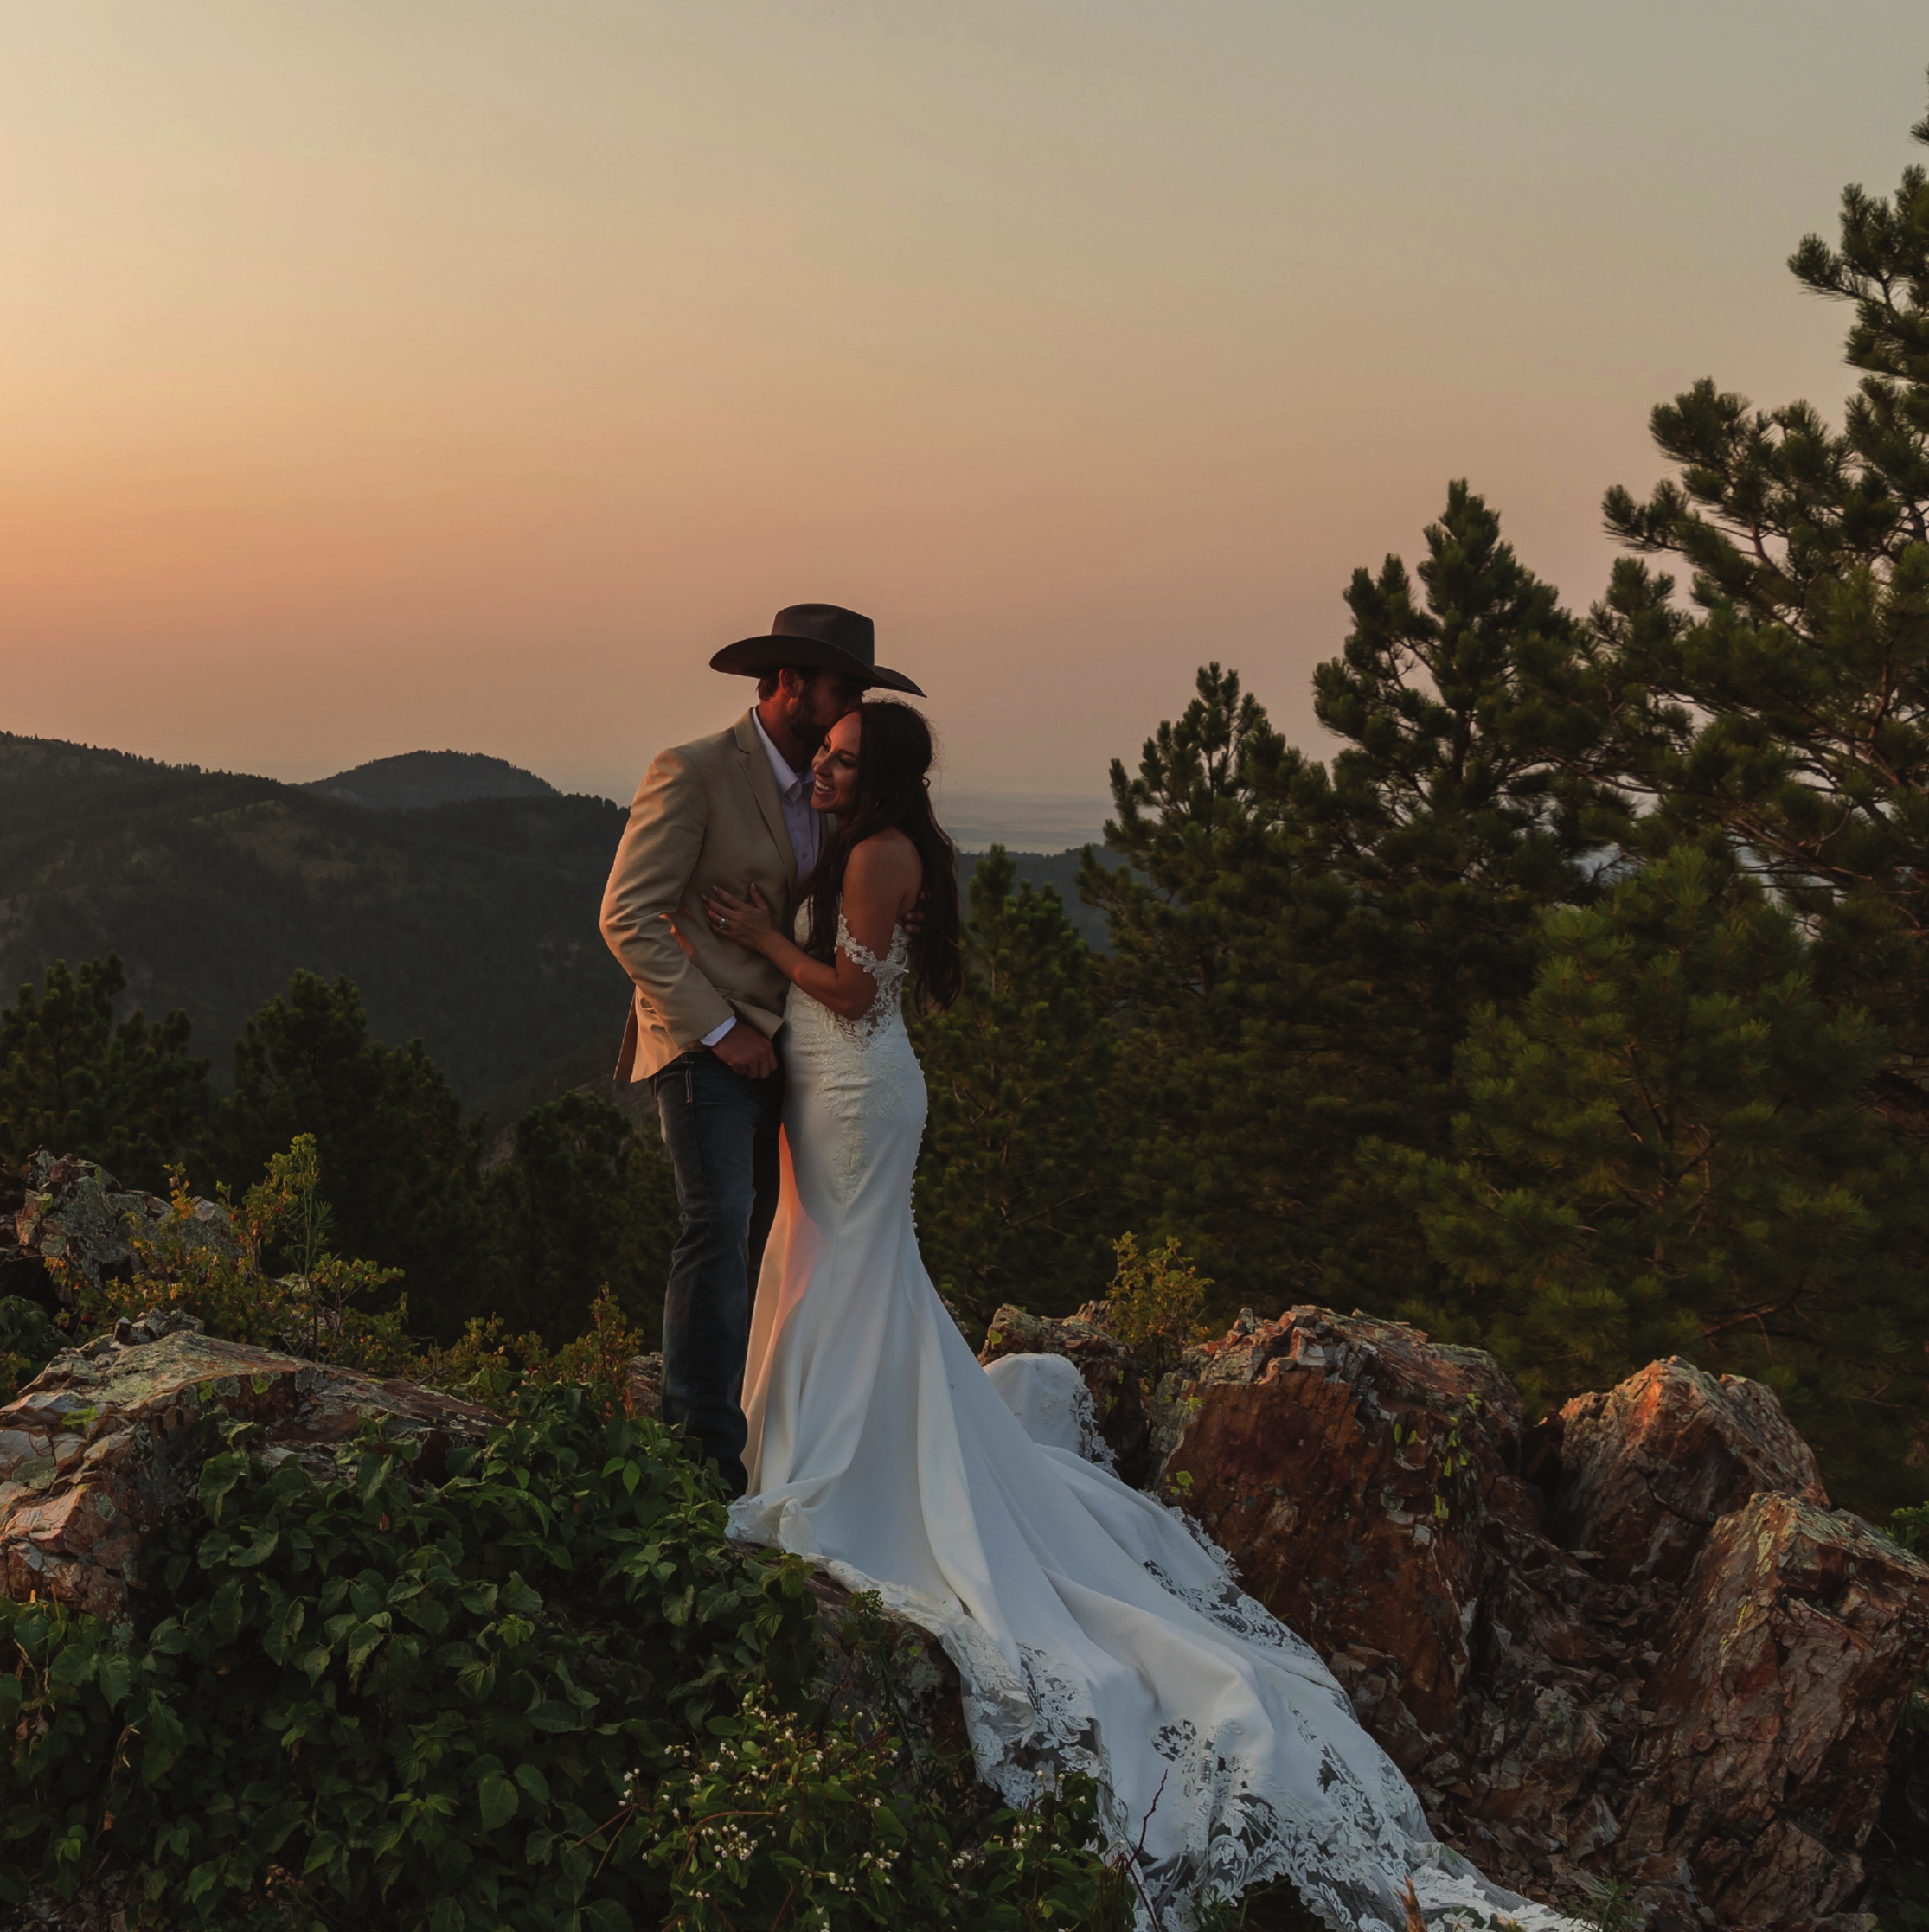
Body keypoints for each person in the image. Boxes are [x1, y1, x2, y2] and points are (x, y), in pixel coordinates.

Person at [703, 701, 1571, 1932]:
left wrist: (756, 939)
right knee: (830, 1268)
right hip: (834, 1092)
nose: (826, 766)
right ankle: (819, 1437)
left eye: (844, 756)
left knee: (850, 1274)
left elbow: (846, 989)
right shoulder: (864, 843)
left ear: (879, 771)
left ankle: (842, 1464)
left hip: (850, 1089)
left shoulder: (874, 854)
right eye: (824, 751)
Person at [598, 602, 923, 1496]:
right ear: (784, 682)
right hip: (706, 1042)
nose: (849, 701)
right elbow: (628, 914)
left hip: (802, 1052)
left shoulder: (838, 793)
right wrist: (721, 1028)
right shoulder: (694, 770)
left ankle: (770, 1428)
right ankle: (697, 1457)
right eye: (840, 685)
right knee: (719, 1225)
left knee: (771, 1240)